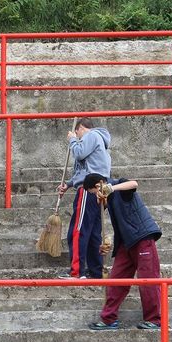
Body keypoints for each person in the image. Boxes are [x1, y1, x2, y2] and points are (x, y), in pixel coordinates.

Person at [83, 173, 162, 330]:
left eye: (96, 191)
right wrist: (106, 243)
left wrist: (111, 188)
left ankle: (154, 320)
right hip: (125, 244)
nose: (97, 196)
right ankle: (109, 319)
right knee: (116, 281)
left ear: (100, 184)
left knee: (148, 280)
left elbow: (134, 183)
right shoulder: (108, 201)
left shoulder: (119, 185)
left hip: (142, 237)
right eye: (94, 195)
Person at [57, 118, 111, 279]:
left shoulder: (90, 136)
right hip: (98, 189)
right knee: (94, 232)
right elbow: (84, 168)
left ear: (81, 128)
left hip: (89, 189)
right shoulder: (98, 141)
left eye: (78, 132)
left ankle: (76, 271)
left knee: (78, 230)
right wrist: (69, 184)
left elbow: (79, 153)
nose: (78, 137)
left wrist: (72, 139)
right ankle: (95, 271)